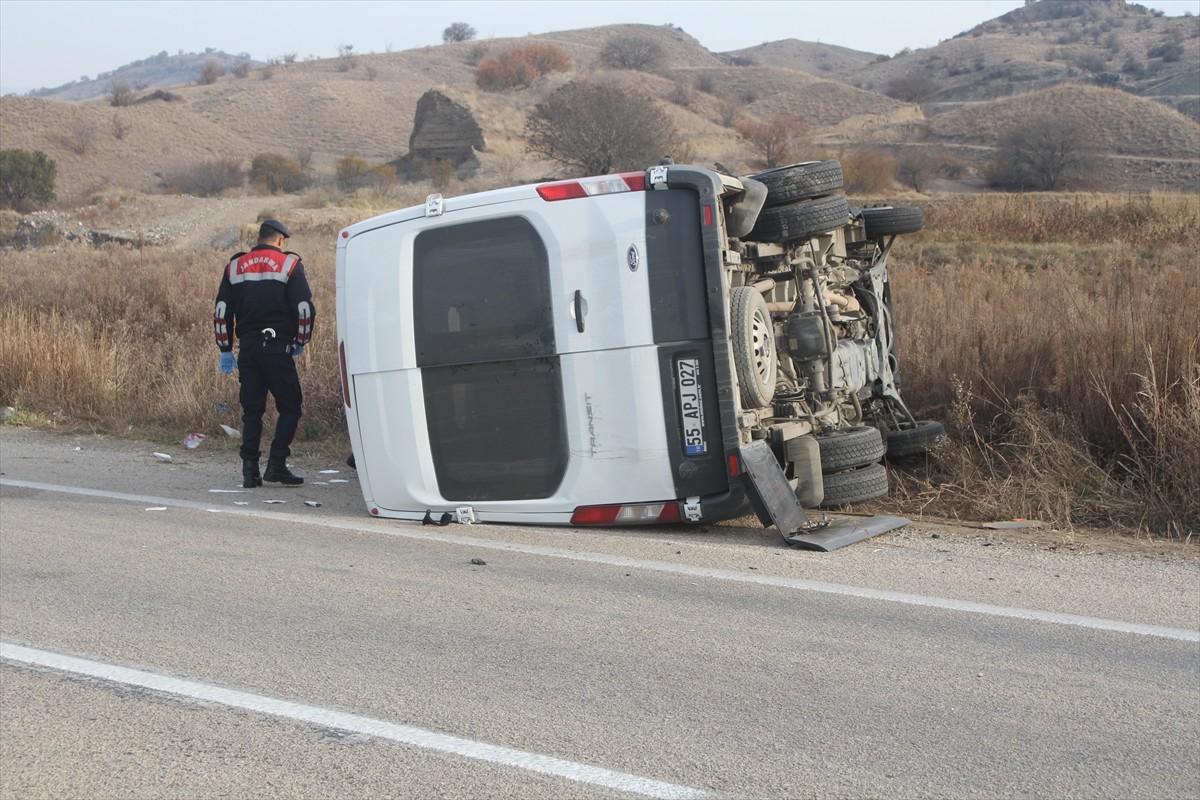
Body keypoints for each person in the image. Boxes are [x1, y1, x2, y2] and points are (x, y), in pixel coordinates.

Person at [213, 218, 314, 487]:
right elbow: (304, 308)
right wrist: (301, 341)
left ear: (259, 238)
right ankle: (277, 464)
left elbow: (221, 312)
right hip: (278, 348)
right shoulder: (290, 265)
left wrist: (225, 349)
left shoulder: (234, 266)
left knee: (252, 412)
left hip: (248, 350)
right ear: (281, 240)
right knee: (290, 407)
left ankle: (250, 471)